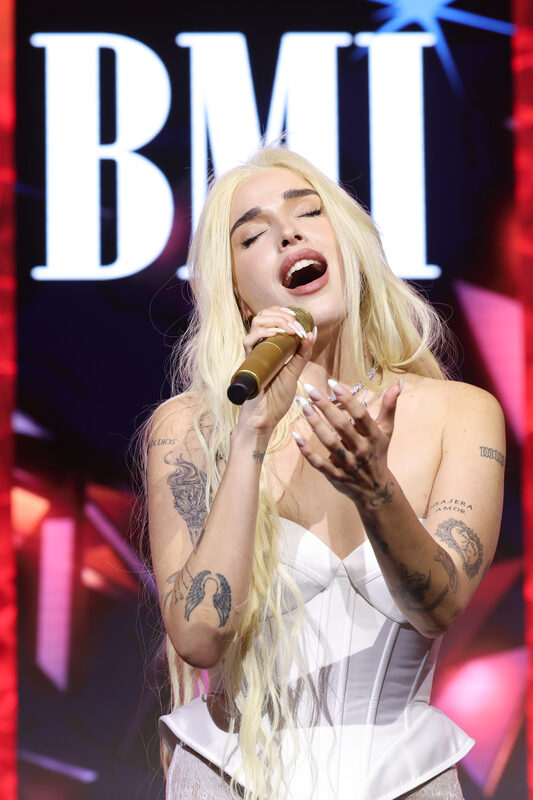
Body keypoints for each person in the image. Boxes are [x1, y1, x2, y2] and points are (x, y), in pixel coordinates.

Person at [145, 147, 505, 800]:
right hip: (230, 778)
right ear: (237, 292)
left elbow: (439, 606)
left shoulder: (462, 413)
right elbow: (199, 636)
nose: (288, 234)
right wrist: (250, 434)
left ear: (349, 243)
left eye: (308, 212)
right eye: (251, 235)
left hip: (407, 781)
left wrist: (375, 488)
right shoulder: (190, 428)